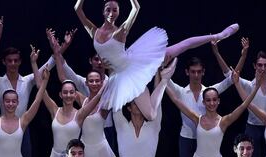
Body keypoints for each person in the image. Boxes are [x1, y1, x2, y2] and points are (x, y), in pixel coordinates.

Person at [73, 0, 239, 116]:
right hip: (122, 75)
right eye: (108, 9)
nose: (111, 13)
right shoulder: (93, 31)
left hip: (133, 64)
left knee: (179, 47)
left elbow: (136, 9)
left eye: (115, 10)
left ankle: (219, 34)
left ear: (118, 12)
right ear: (103, 11)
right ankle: (165, 80)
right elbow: (77, 9)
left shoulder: (120, 31)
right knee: (150, 114)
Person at [166, 70, 259, 157]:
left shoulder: (224, 121)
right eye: (208, 100)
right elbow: (176, 100)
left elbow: (243, 106)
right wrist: (163, 81)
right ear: (203, 102)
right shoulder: (196, 118)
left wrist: (256, 89)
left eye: (214, 100)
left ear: (218, 101)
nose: (212, 103)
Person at [166, 53, 234, 157]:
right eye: (193, 71)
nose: (196, 75)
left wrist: (216, 51)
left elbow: (230, 80)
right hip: (186, 138)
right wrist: (160, 65)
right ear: (187, 72)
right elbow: (165, 82)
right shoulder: (181, 91)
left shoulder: (209, 92)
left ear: (203, 72)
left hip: (207, 140)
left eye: (199, 71)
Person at [41, 75, 104, 157]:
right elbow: (41, 90)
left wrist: (107, 81)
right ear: (60, 94)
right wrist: (34, 64)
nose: (68, 95)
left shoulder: (79, 114)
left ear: (75, 95)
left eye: (71, 92)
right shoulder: (54, 110)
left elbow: (98, 97)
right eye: (65, 92)